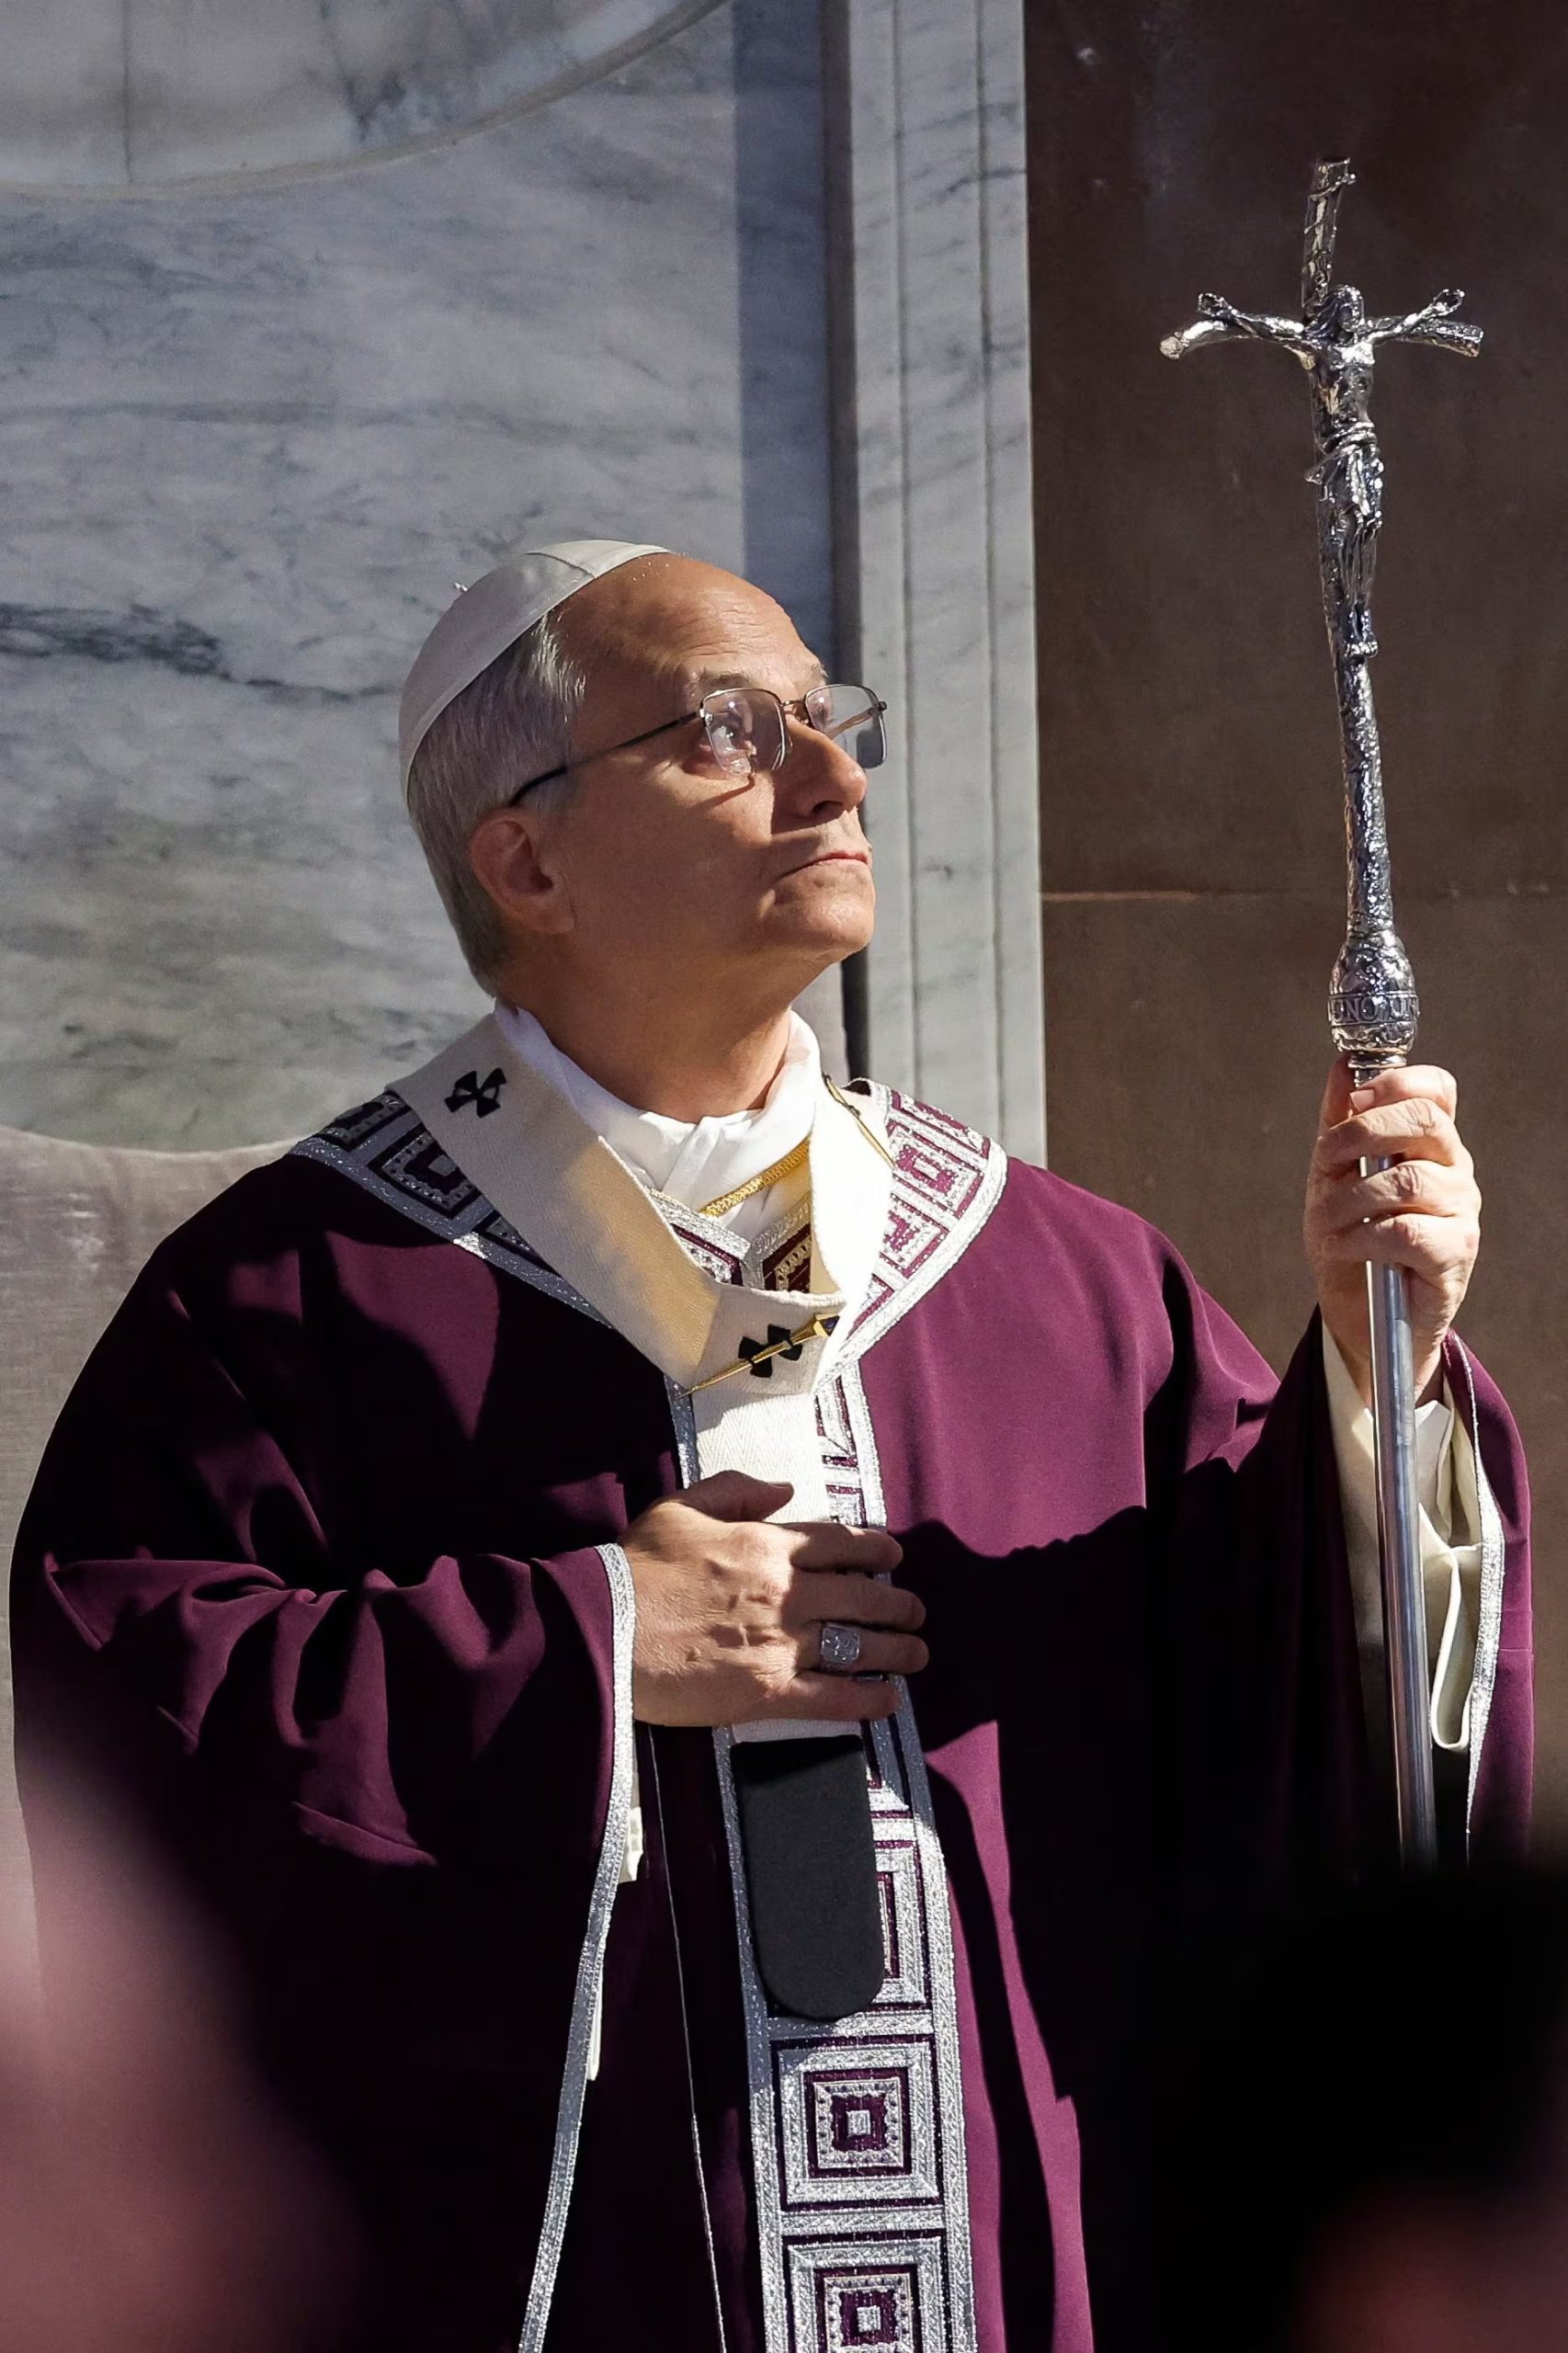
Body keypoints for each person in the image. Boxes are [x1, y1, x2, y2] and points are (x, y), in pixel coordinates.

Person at [11, 540, 1531, 2353]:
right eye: (735, 733)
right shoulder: (292, 1293)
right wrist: (582, 1643)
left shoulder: (1053, 1269)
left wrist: (1383, 1376)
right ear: (528, 853)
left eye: (834, 718)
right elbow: (121, 1710)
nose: (834, 777)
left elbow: (1272, 1696)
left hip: (1012, 2267)